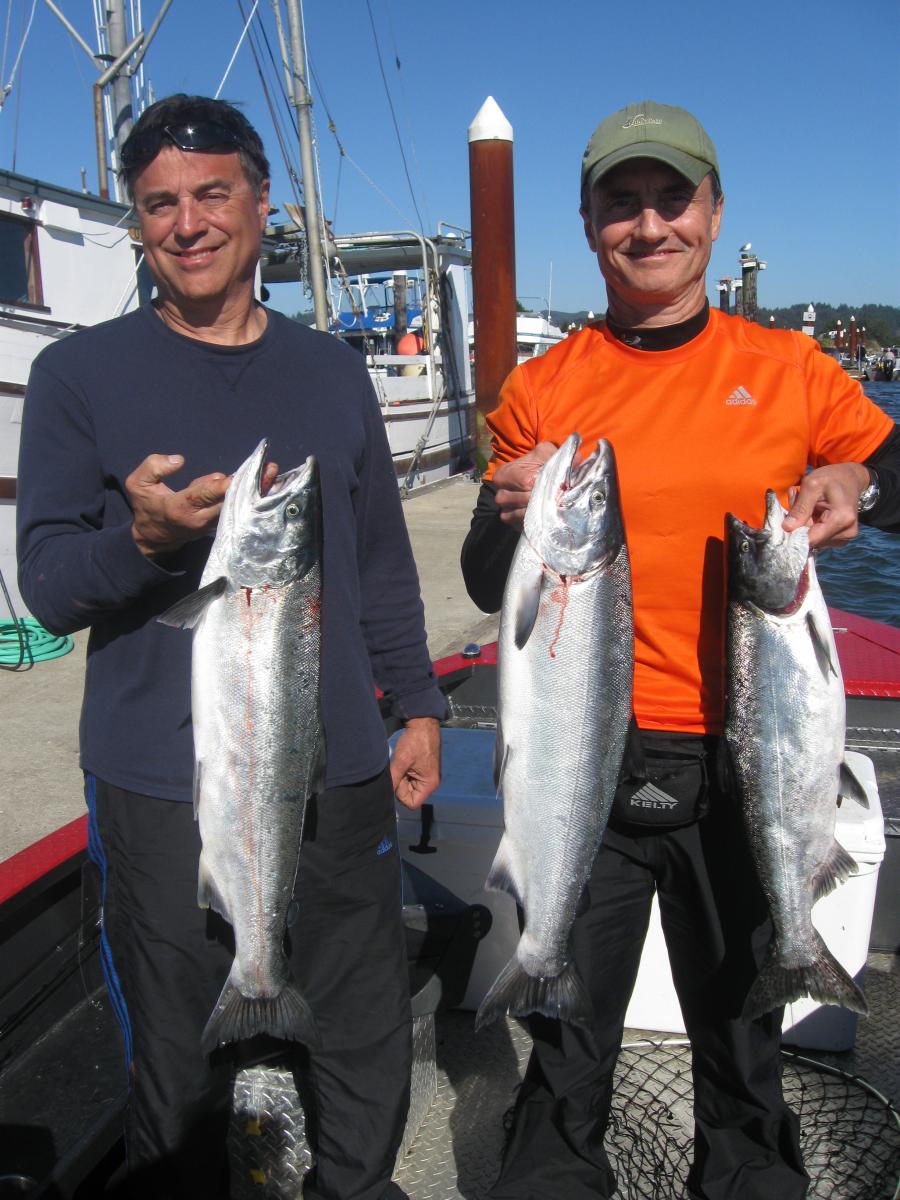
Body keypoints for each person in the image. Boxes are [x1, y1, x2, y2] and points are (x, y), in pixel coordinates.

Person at [461, 99, 900, 1200]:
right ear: (587, 220)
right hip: (585, 767)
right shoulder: (543, 388)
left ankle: (748, 1178)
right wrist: (507, 524)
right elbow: (482, 580)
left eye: (672, 200)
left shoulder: (796, 370)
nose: (648, 226)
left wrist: (861, 480)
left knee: (744, 1047)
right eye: (622, 203)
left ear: (713, 214)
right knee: (566, 1048)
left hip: (749, 763)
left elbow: (892, 482)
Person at [17, 94, 444, 1200]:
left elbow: (382, 564)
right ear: (137, 223)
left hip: (340, 762)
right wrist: (147, 541)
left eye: (213, 194)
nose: (188, 222)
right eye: (160, 203)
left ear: (264, 204)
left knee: (362, 1031)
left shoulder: (334, 371)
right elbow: (52, 588)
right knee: (176, 1051)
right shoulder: (78, 376)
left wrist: (421, 707)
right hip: (163, 782)